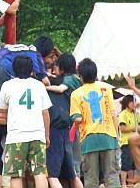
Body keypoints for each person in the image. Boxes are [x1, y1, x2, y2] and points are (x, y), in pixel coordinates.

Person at [0, 55, 51, 188]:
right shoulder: (39, 85)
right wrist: (47, 136)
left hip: (16, 136)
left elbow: (2, 111)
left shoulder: (7, 86)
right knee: (39, 172)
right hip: (37, 135)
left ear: (13, 69)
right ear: (32, 69)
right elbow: (45, 113)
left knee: (16, 174)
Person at [70, 58, 120, 188]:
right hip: (109, 137)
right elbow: (114, 114)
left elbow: (77, 119)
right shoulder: (105, 89)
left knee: (91, 178)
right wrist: (117, 136)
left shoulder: (76, 94)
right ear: (96, 73)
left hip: (88, 140)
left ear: (80, 76)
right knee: (112, 175)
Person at [45, 77, 83, 188]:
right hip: (66, 132)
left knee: (52, 175)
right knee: (72, 175)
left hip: (53, 132)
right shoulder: (66, 94)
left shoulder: (46, 94)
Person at [118, 94, 139, 188]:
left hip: (137, 142)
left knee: (134, 164)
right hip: (126, 142)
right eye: (132, 102)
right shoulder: (123, 114)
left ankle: (131, 183)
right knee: (126, 163)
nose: (133, 104)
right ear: (127, 103)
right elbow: (122, 128)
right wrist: (134, 127)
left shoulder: (136, 114)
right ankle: (123, 183)